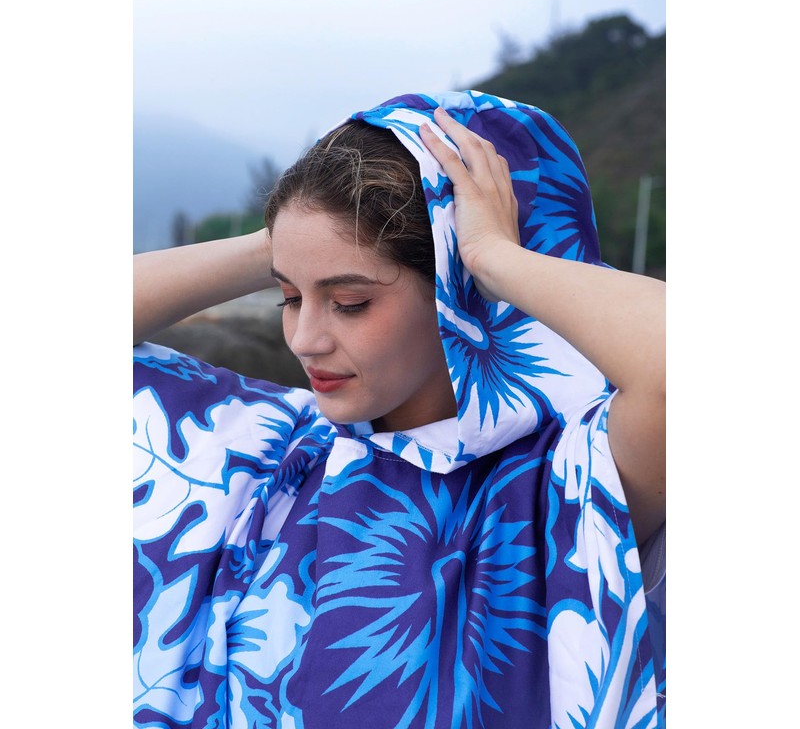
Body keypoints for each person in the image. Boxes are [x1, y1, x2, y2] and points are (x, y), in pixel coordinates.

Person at [133, 90, 666, 728]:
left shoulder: (565, 485)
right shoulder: (276, 452)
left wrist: (492, 255)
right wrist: (288, 240)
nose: (304, 340)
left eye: (350, 303)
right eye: (289, 297)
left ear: (459, 295)